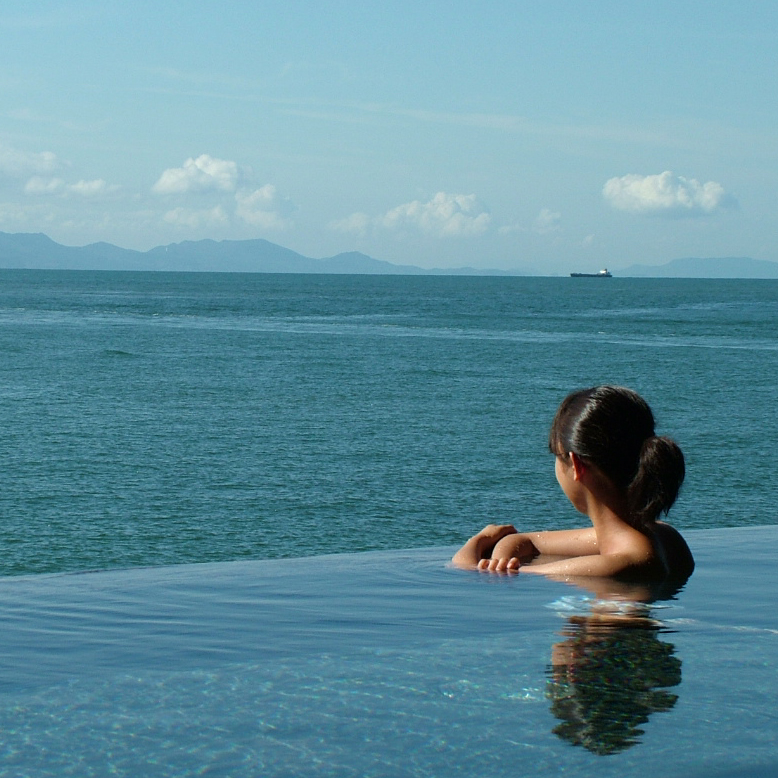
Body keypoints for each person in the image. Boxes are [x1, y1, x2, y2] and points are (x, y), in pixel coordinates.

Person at [452, 386, 694, 581]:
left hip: (606, 642)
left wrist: (478, 541)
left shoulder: (613, 567)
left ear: (576, 465)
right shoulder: (667, 537)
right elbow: (524, 541)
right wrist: (501, 556)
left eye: (557, 458)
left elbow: (468, 570)